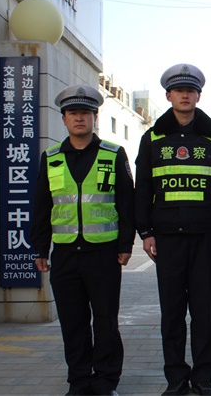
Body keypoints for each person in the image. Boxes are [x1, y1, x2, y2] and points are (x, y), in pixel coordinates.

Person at [134, 64, 211, 396]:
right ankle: (176, 378)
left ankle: (203, 378)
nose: (184, 95)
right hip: (167, 240)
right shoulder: (152, 138)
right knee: (172, 314)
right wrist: (146, 232)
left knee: (203, 313)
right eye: (178, 90)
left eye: (190, 90)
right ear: (168, 96)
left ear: (198, 96)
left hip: (206, 238)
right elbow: (142, 188)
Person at [30, 84, 135, 396]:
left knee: (105, 322)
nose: (79, 118)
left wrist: (125, 245)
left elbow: (125, 203)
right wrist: (40, 248)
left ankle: (105, 382)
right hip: (64, 256)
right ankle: (79, 381)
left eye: (85, 113)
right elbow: (41, 206)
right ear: (63, 119)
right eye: (73, 113)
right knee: (73, 323)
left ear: (94, 118)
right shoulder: (50, 158)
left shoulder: (113, 154)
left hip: (103, 255)